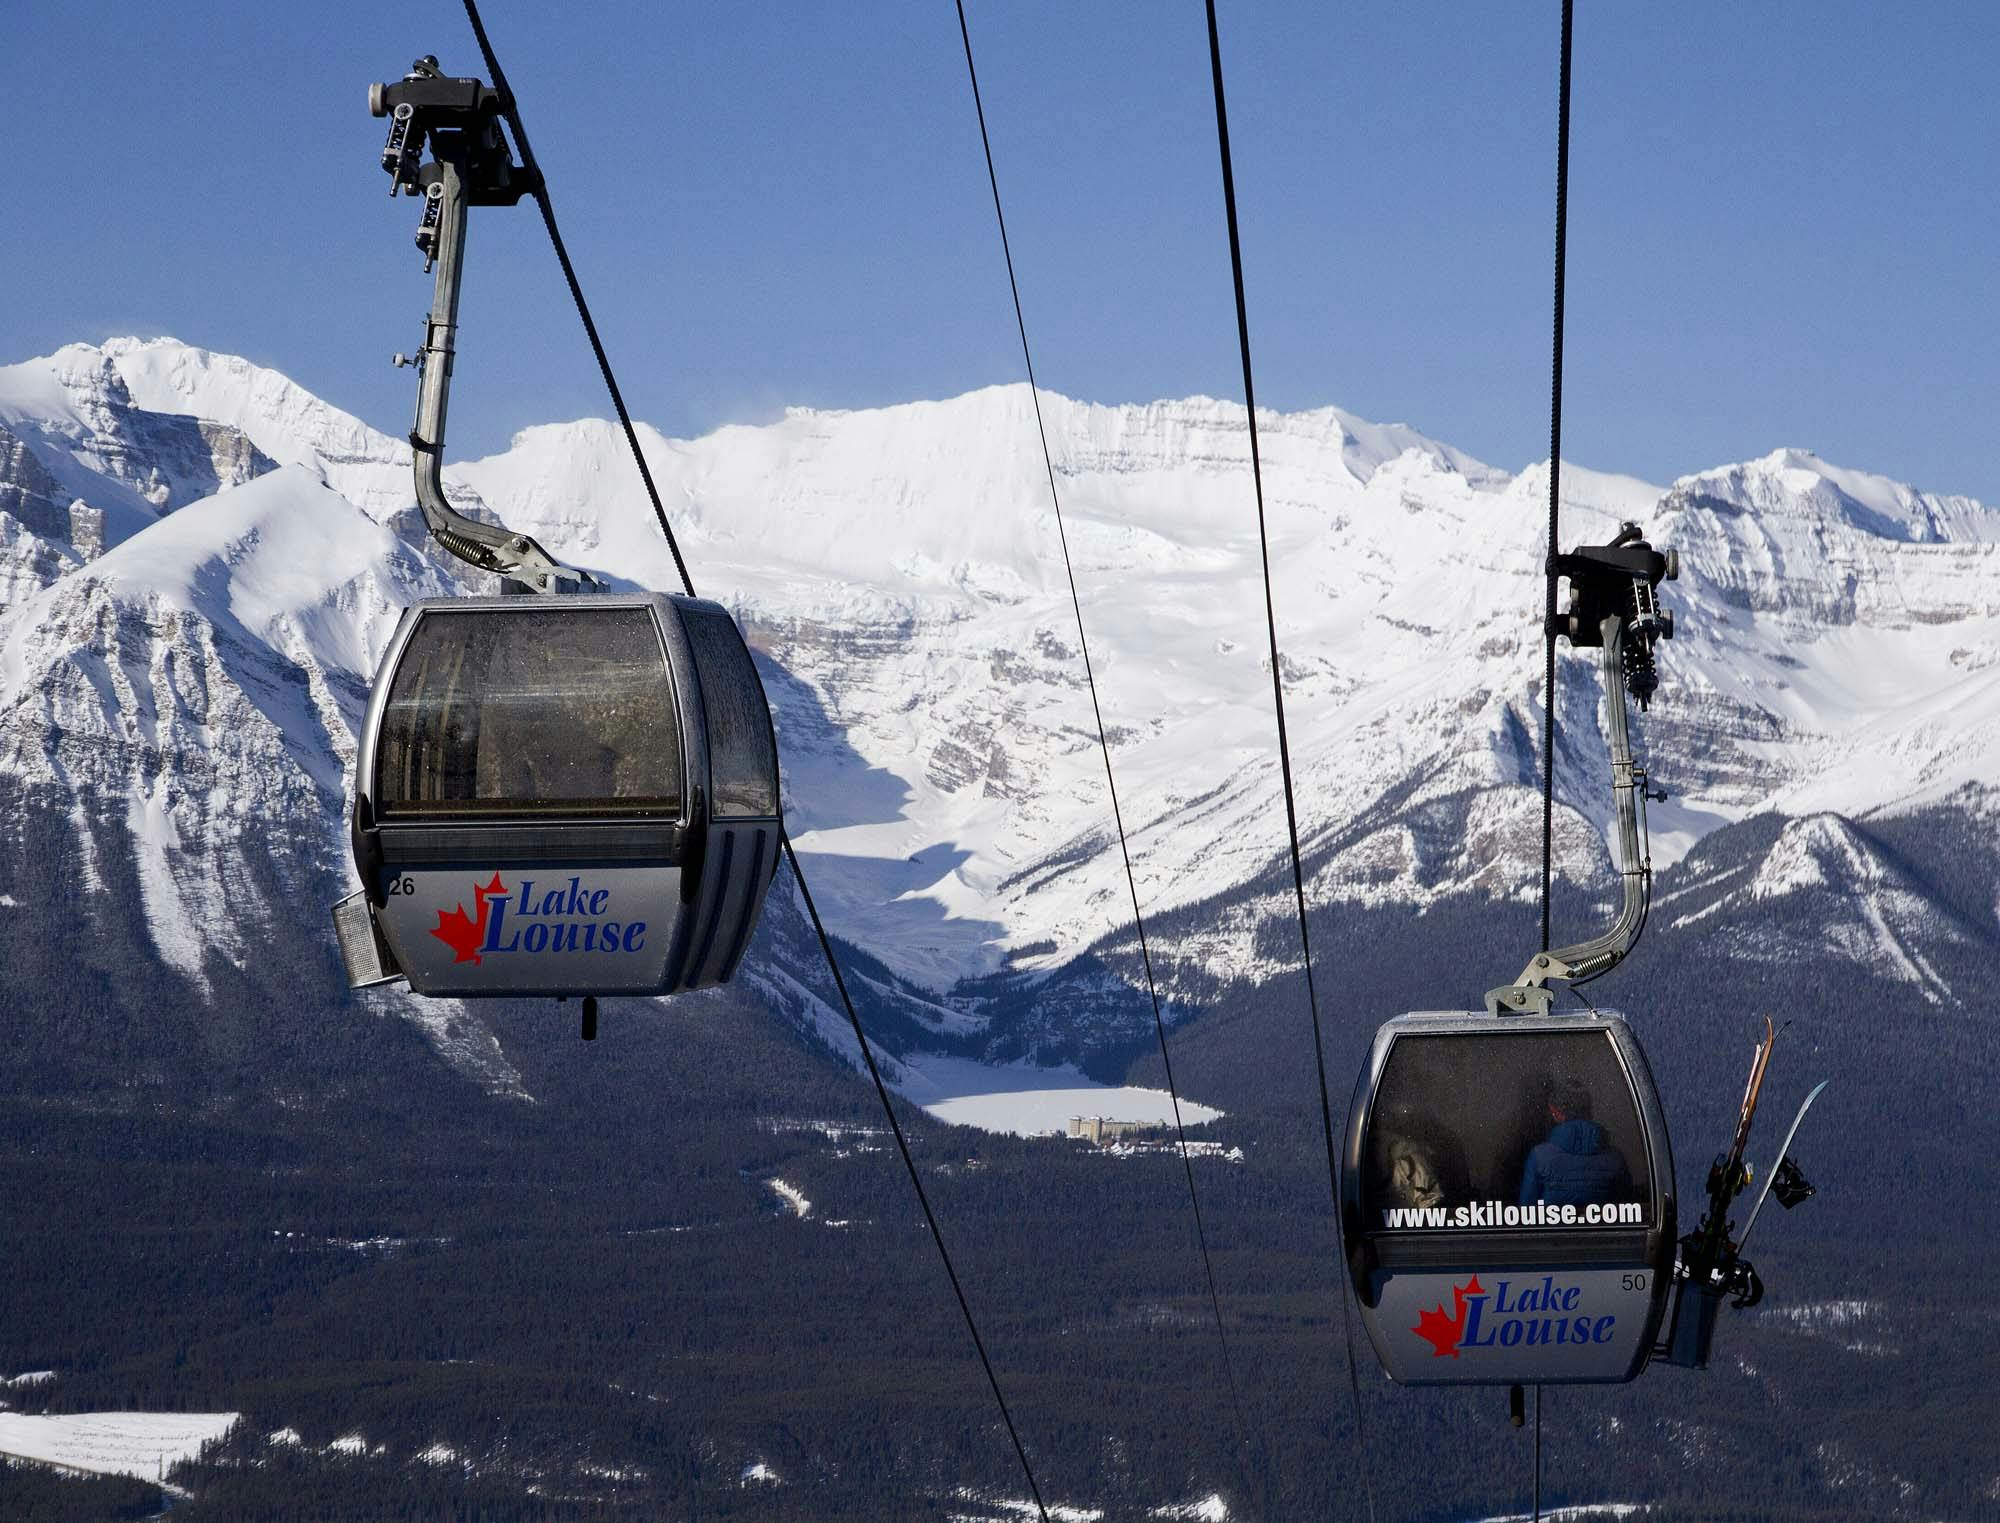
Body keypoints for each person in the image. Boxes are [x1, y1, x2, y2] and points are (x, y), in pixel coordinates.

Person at [1518, 1080, 1632, 1207]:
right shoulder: (1615, 1158)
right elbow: (1629, 1209)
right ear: (1588, 1110)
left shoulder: (1539, 1157)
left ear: (1556, 1113)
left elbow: (1526, 1212)